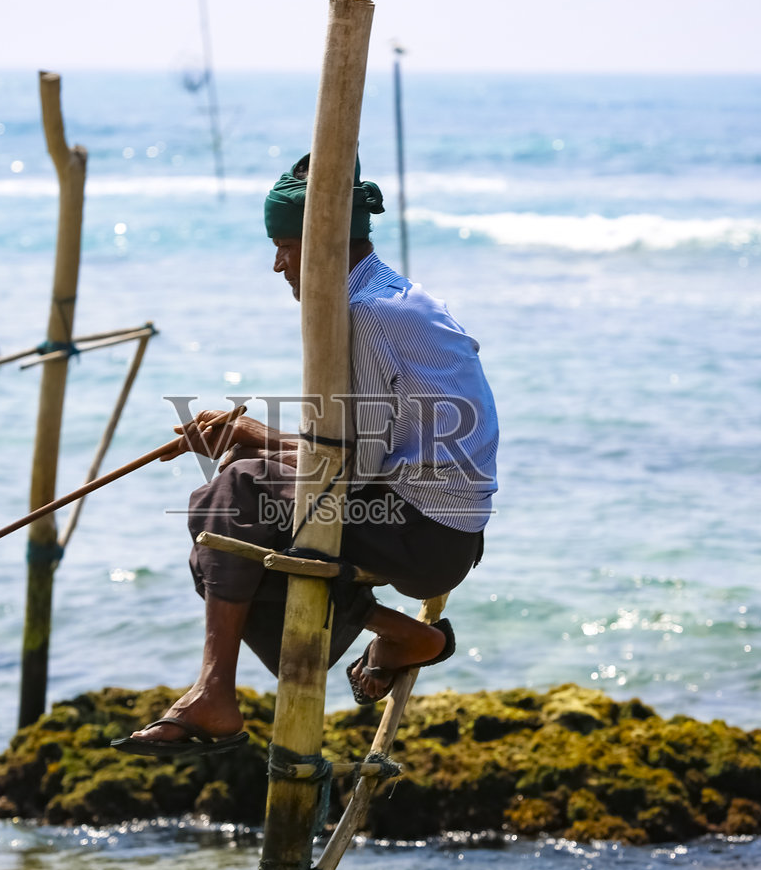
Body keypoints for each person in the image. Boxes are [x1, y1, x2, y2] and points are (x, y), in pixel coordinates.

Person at [113, 154, 498, 755]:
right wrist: (250, 437)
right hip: (439, 528)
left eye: (286, 246)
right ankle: (405, 637)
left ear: (323, 247)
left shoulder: (365, 314)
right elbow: (356, 452)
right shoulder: (388, 292)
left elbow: (352, 467)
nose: (278, 264)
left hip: (423, 533)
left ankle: (214, 692)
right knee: (222, 541)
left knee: (230, 501)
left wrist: (255, 439)